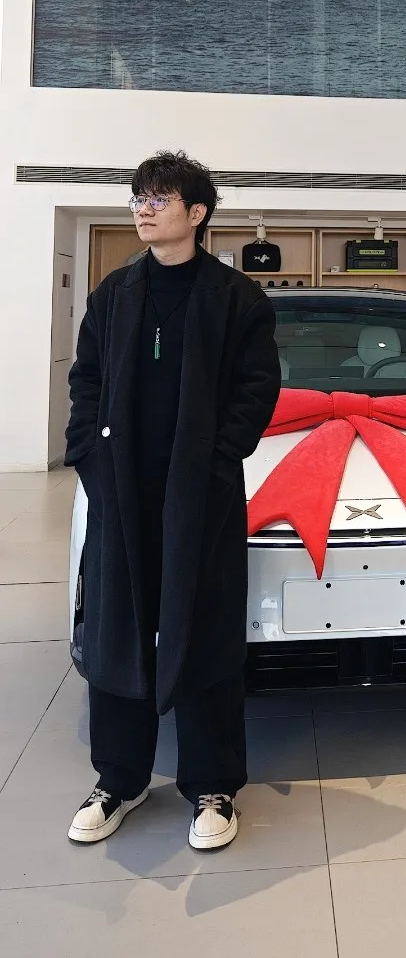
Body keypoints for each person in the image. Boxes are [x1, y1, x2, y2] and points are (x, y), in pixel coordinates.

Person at [64, 151, 280, 850]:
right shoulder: (113, 294)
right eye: (138, 198)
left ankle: (213, 785)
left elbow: (257, 388)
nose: (143, 209)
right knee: (116, 626)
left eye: (159, 199)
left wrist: (218, 459)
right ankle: (119, 779)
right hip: (120, 486)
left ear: (197, 212)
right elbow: (86, 381)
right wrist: (89, 456)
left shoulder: (236, 298)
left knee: (206, 630)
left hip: (201, 492)